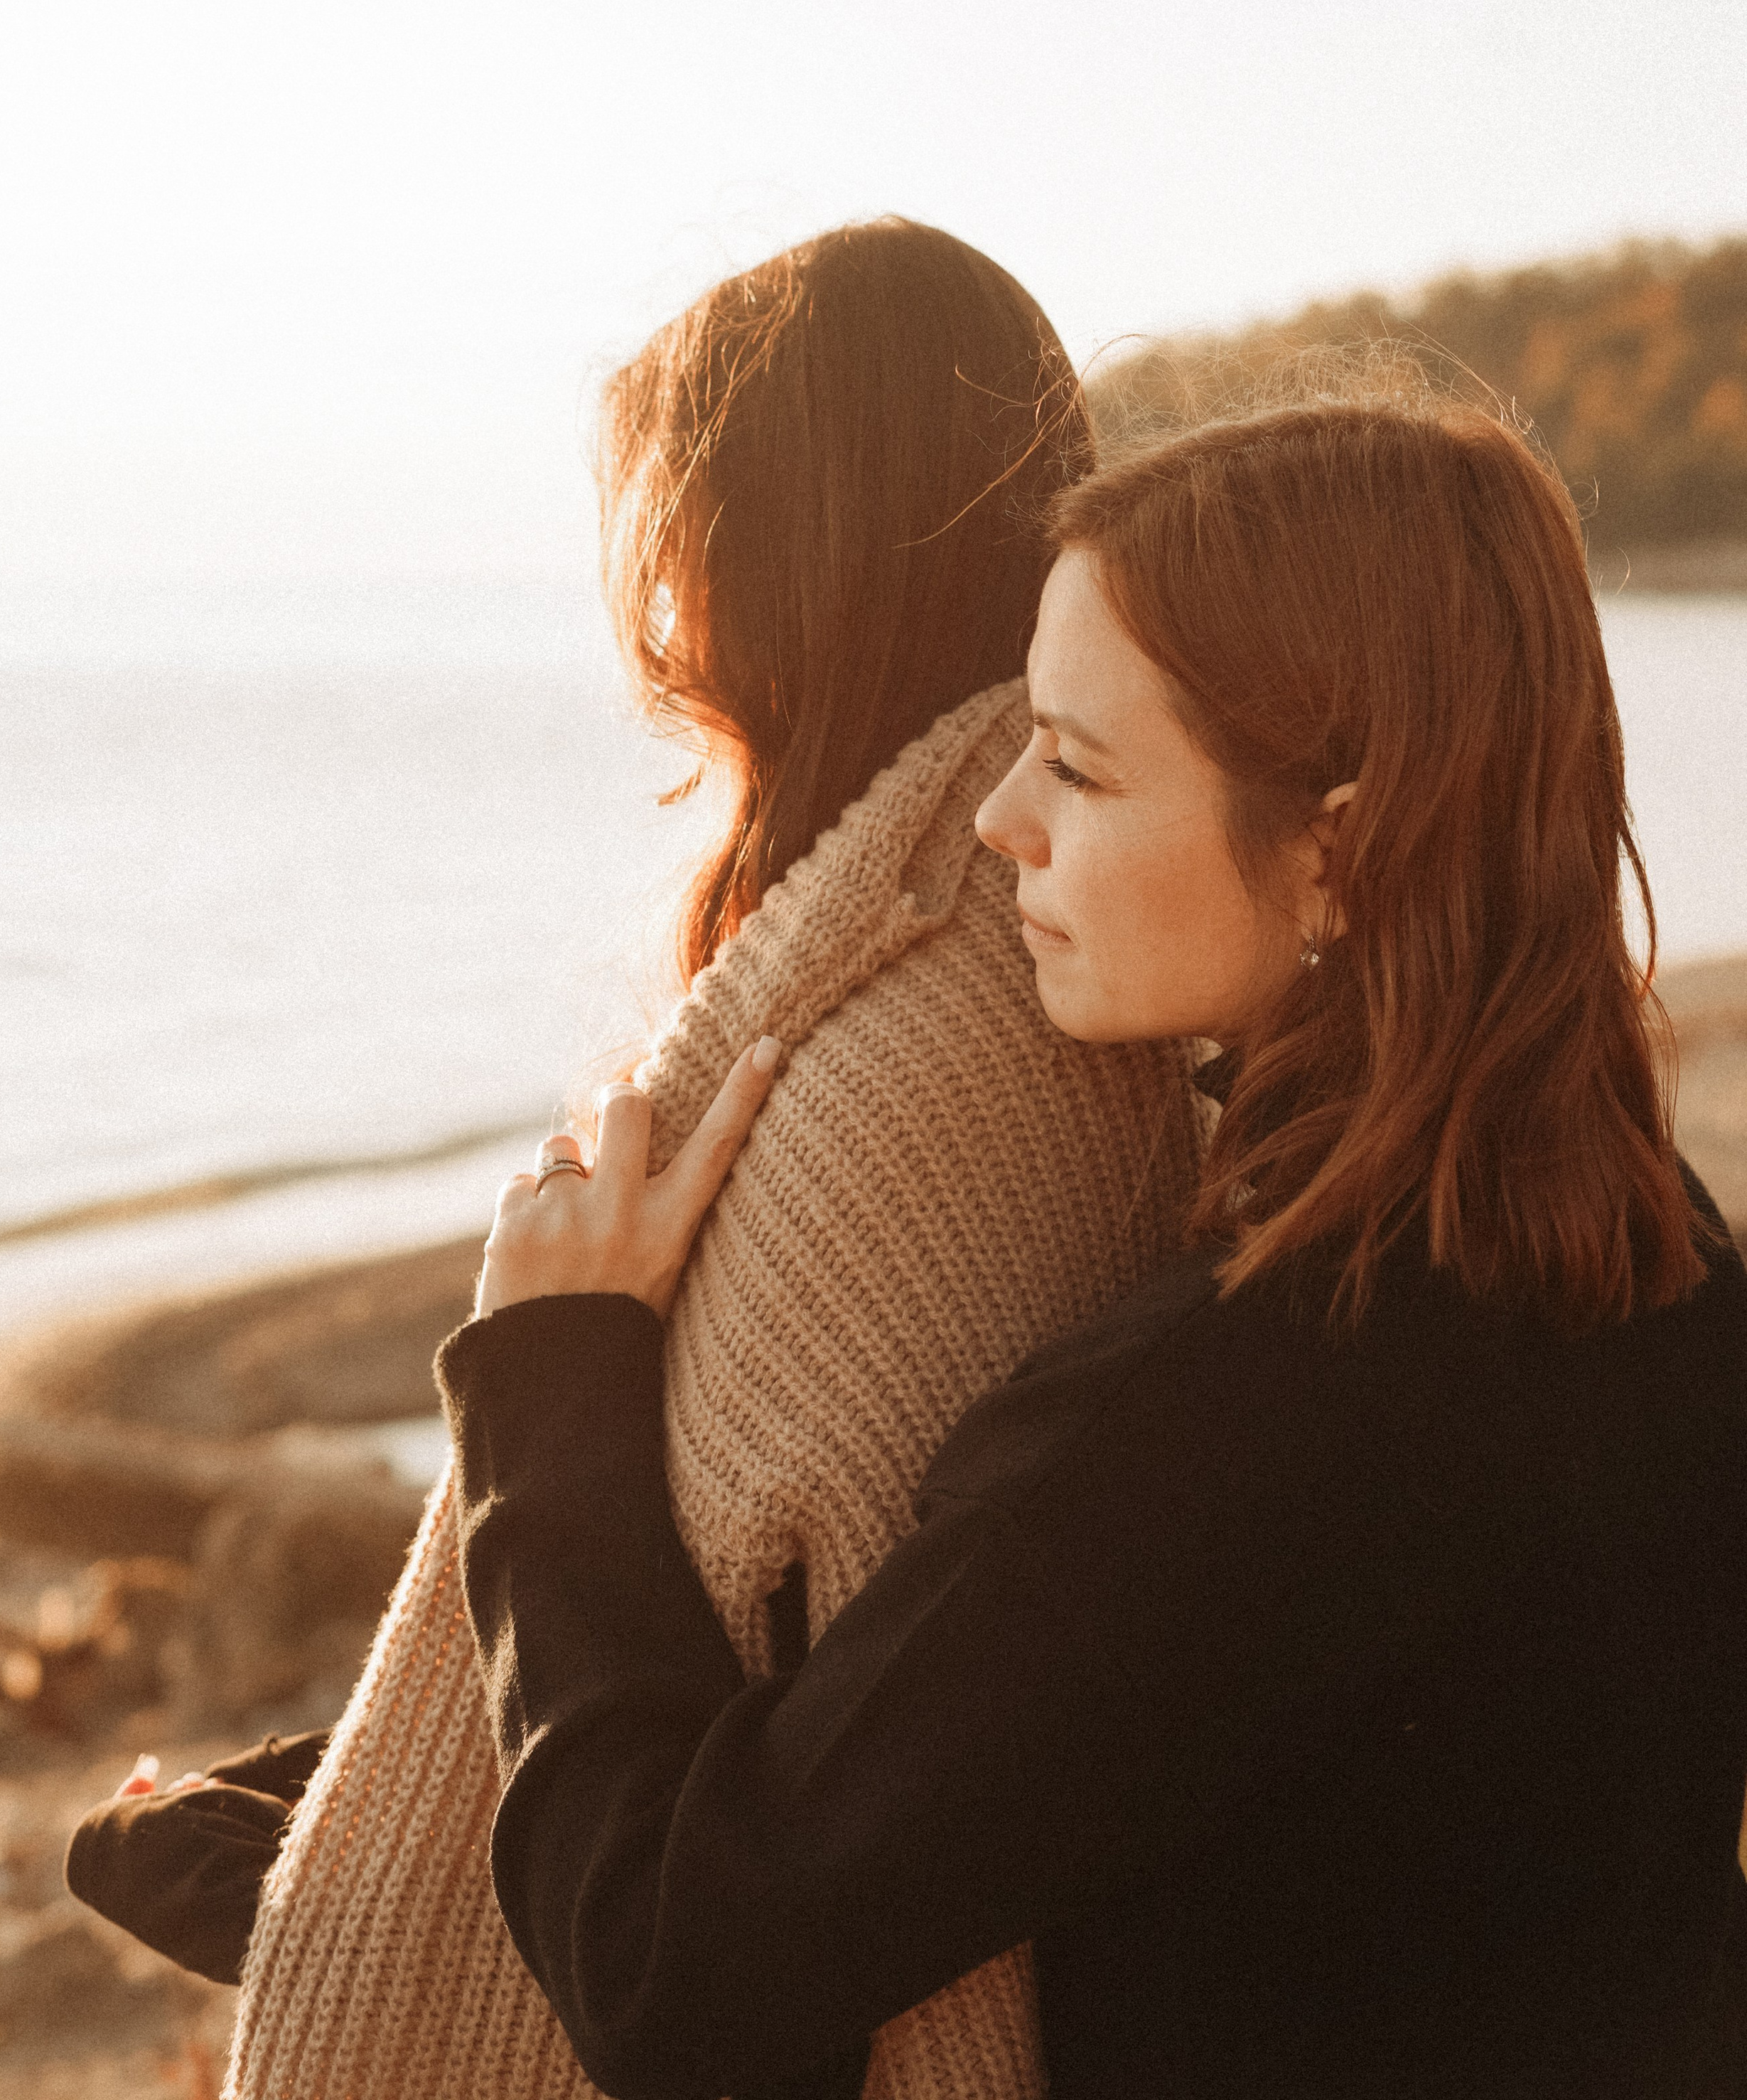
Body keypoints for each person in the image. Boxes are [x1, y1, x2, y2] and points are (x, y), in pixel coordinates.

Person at [431, 374, 1747, 2100]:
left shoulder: (1242, 1416)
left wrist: (548, 1398)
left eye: (1075, 765)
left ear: (1338, 856)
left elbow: (676, 1969)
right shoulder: (1661, 1246)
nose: (997, 824)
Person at [66, 220, 1203, 2100]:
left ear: (752, 560)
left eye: (665, 528)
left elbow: (724, 1862)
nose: (647, 605)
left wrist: (544, 1366)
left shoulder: (872, 1089)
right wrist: (303, 1819)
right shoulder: (1053, 960)